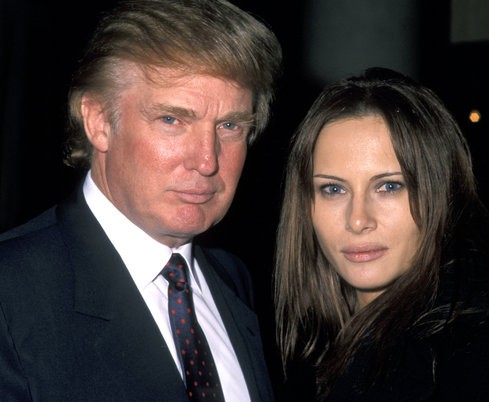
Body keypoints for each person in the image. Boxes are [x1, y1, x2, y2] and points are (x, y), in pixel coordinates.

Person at [0, 0, 281, 401]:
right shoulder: (12, 291)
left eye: (230, 126)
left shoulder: (234, 280)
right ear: (99, 122)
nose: (207, 161)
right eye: (172, 120)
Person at [273, 67, 489, 401]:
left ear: (440, 193)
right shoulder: (300, 351)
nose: (358, 220)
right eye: (333, 189)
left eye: (389, 186)